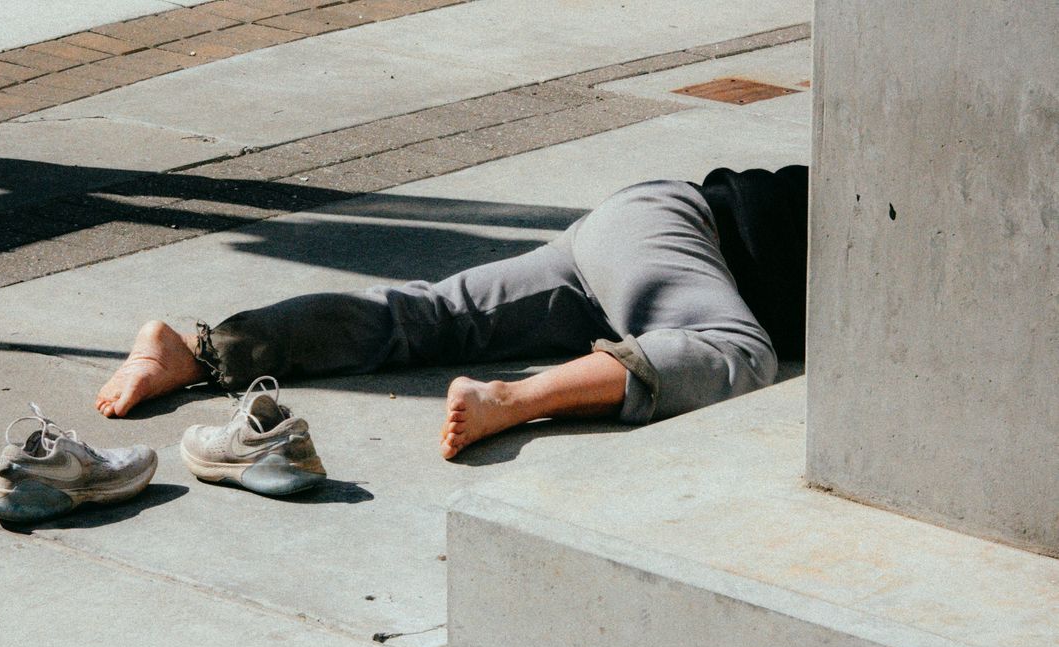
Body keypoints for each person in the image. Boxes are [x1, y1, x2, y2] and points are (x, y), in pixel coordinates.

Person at [95, 166, 809, 459]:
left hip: (634, 229)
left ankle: (197, 350)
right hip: (679, 237)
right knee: (734, 354)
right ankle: (516, 398)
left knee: (433, 315)